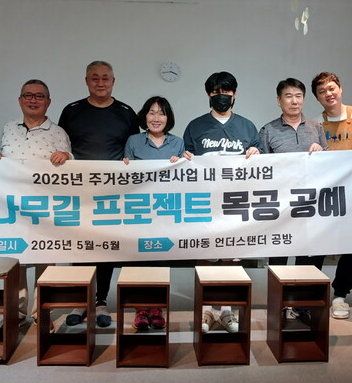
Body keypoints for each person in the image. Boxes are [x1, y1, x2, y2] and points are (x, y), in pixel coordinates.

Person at [296, 71, 352, 320]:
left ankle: (340, 295)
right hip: (327, 195)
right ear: (317, 98)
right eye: (322, 91)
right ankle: (311, 293)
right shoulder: (315, 124)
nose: (329, 94)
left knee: (351, 246)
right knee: (317, 244)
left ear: (340, 89)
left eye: (331, 88)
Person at [59, 61, 138, 328]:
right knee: (80, 245)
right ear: (86, 81)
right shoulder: (72, 110)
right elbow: (62, 144)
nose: (100, 83)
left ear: (113, 81)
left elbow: (133, 149)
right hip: (78, 190)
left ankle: (101, 301)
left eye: (105, 78)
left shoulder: (126, 112)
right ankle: (81, 301)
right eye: (95, 78)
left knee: (106, 246)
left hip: (113, 192)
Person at [182, 71, 260, 334]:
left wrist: (256, 153)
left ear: (234, 94)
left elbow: (262, 164)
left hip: (236, 203)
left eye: (226, 91)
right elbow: (184, 162)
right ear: (209, 95)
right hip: (205, 202)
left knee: (231, 257)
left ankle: (227, 310)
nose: (221, 96)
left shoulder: (247, 127)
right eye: (216, 92)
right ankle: (205, 310)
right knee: (206, 255)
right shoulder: (195, 126)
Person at [0, 79, 73, 323]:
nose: (33, 100)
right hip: (12, 206)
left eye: (39, 96)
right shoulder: (9, 127)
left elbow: (72, 165)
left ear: (48, 102)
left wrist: (66, 155)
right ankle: (16, 312)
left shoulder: (58, 132)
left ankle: (41, 312)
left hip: (44, 207)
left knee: (44, 258)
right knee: (15, 259)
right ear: (20, 100)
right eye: (28, 95)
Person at [123, 96, 184, 330]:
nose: (156, 118)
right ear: (144, 116)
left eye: (161, 113)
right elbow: (125, 177)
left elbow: (186, 178)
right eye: (152, 112)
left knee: (160, 260)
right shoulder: (134, 141)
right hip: (138, 212)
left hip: (165, 213)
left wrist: (181, 162)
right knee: (138, 261)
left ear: (168, 118)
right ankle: (140, 310)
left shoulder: (177, 143)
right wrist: (125, 166)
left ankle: (157, 309)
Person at [259, 77, 327, 266]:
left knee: (308, 257)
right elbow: (262, 168)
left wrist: (321, 152)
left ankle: (304, 285)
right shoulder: (268, 130)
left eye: (298, 96)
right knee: (278, 257)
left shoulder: (316, 127)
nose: (294, 101)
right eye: (288, 96)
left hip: (311, 203)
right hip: (281, 205)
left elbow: (328, 163)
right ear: (279, 100)